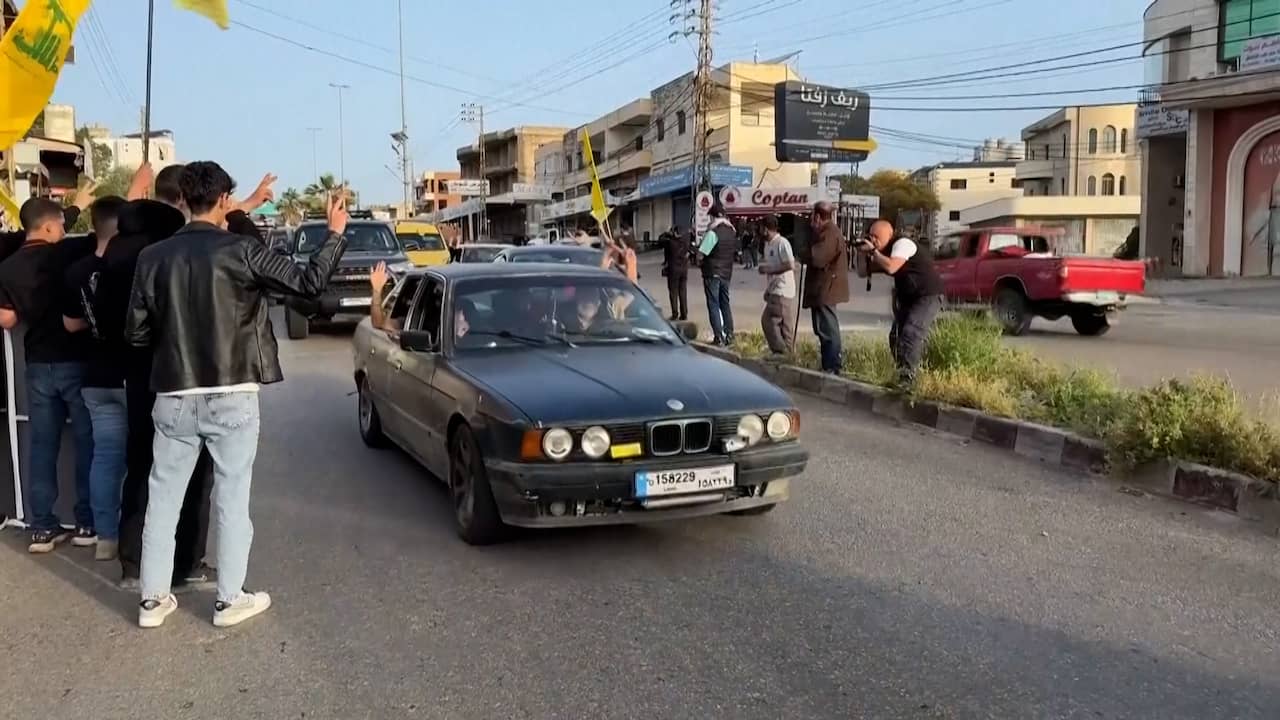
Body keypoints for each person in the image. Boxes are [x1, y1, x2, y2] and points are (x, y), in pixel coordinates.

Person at [126, 161, 347, 629]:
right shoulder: (243, 251)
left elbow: (137, 334)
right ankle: (229, 600)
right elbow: (308, 285)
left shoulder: (153, 257)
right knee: (231, 496)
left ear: (183, 200)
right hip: (232, 391)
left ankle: (153, 600)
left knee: (163, 496)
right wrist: (333, 235)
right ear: (225, 200)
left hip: (173, 391)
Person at [105, 163, 273, 590]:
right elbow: (298, 281)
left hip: (160, 383)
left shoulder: (134, 251)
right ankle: (212, 583)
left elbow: (135, 331)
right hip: (219, 381)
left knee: (154, 486)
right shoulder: (229, 249)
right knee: (224, 494)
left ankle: (147, 590)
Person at [0, 196, 98, 553]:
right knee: (87, 443)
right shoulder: (67, 256)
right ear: (48, 226)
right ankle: (86, 523)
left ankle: (42, 527)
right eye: (59, 224)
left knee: (42, 445)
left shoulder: (7, 267)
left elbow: (7, 319)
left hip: (38, 365)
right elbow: (106, 234)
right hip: (75, 362)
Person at [61, 195, 129, 561]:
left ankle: (106, 537)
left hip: (93, 375)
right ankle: (139, 537)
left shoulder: (75, 270)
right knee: (139, 458)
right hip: (127, 376)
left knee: (104, 457)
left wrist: (93, 318)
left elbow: (70, 323)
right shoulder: (129, 267)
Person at [857, 219, 944, 387]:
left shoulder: (902, 243)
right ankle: (903, 372)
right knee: (896, 336)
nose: (873, 239)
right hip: (909, 298)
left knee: (911, 333)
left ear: (889, 234)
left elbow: (891, 267)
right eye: (870, 236)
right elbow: (862, 272)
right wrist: (861, 253)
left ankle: (909, 380)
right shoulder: (884, 251)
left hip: (927, 295)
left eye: (876, 236)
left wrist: (873, 251)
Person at [802, 201, 849, 374]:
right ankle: (828, 364)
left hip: (826, 288)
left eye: (812, 216)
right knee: (821, 327)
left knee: (828, 328)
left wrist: (805, 250)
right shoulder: (824, 232)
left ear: (818, 216)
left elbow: (818, 258)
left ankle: (833, 366)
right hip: (821, 288)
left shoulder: (829, 233)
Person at [757, 215, 796, 355]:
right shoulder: (768, 245)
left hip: (783, 290)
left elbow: (790, 265)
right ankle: (786, 354)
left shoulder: (782, 243)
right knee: (784, 326)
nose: (759, 231)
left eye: (761, 228)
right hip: (774, 290)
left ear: (766, 229)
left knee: (769, 321)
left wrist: (769, 269)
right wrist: (768, 289)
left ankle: (782, 351)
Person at [698, 204, 736, 346]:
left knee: (713, 304)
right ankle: (730, 335)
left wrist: (697, 254)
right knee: (725, 304)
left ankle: (718, 337)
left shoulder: (713, 233)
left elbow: (701, 254)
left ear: (713, 216)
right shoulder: (732, 231)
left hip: (712, 272)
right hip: (727, 273)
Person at [661, 226, 689, 321]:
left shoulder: (670, 243)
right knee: (683, 291)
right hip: (684, 269)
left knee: (673, 292)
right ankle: (684, 313)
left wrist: (667, 233)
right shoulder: (685, 242)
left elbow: (660, 239)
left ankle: (675, 313)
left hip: (673, 270)